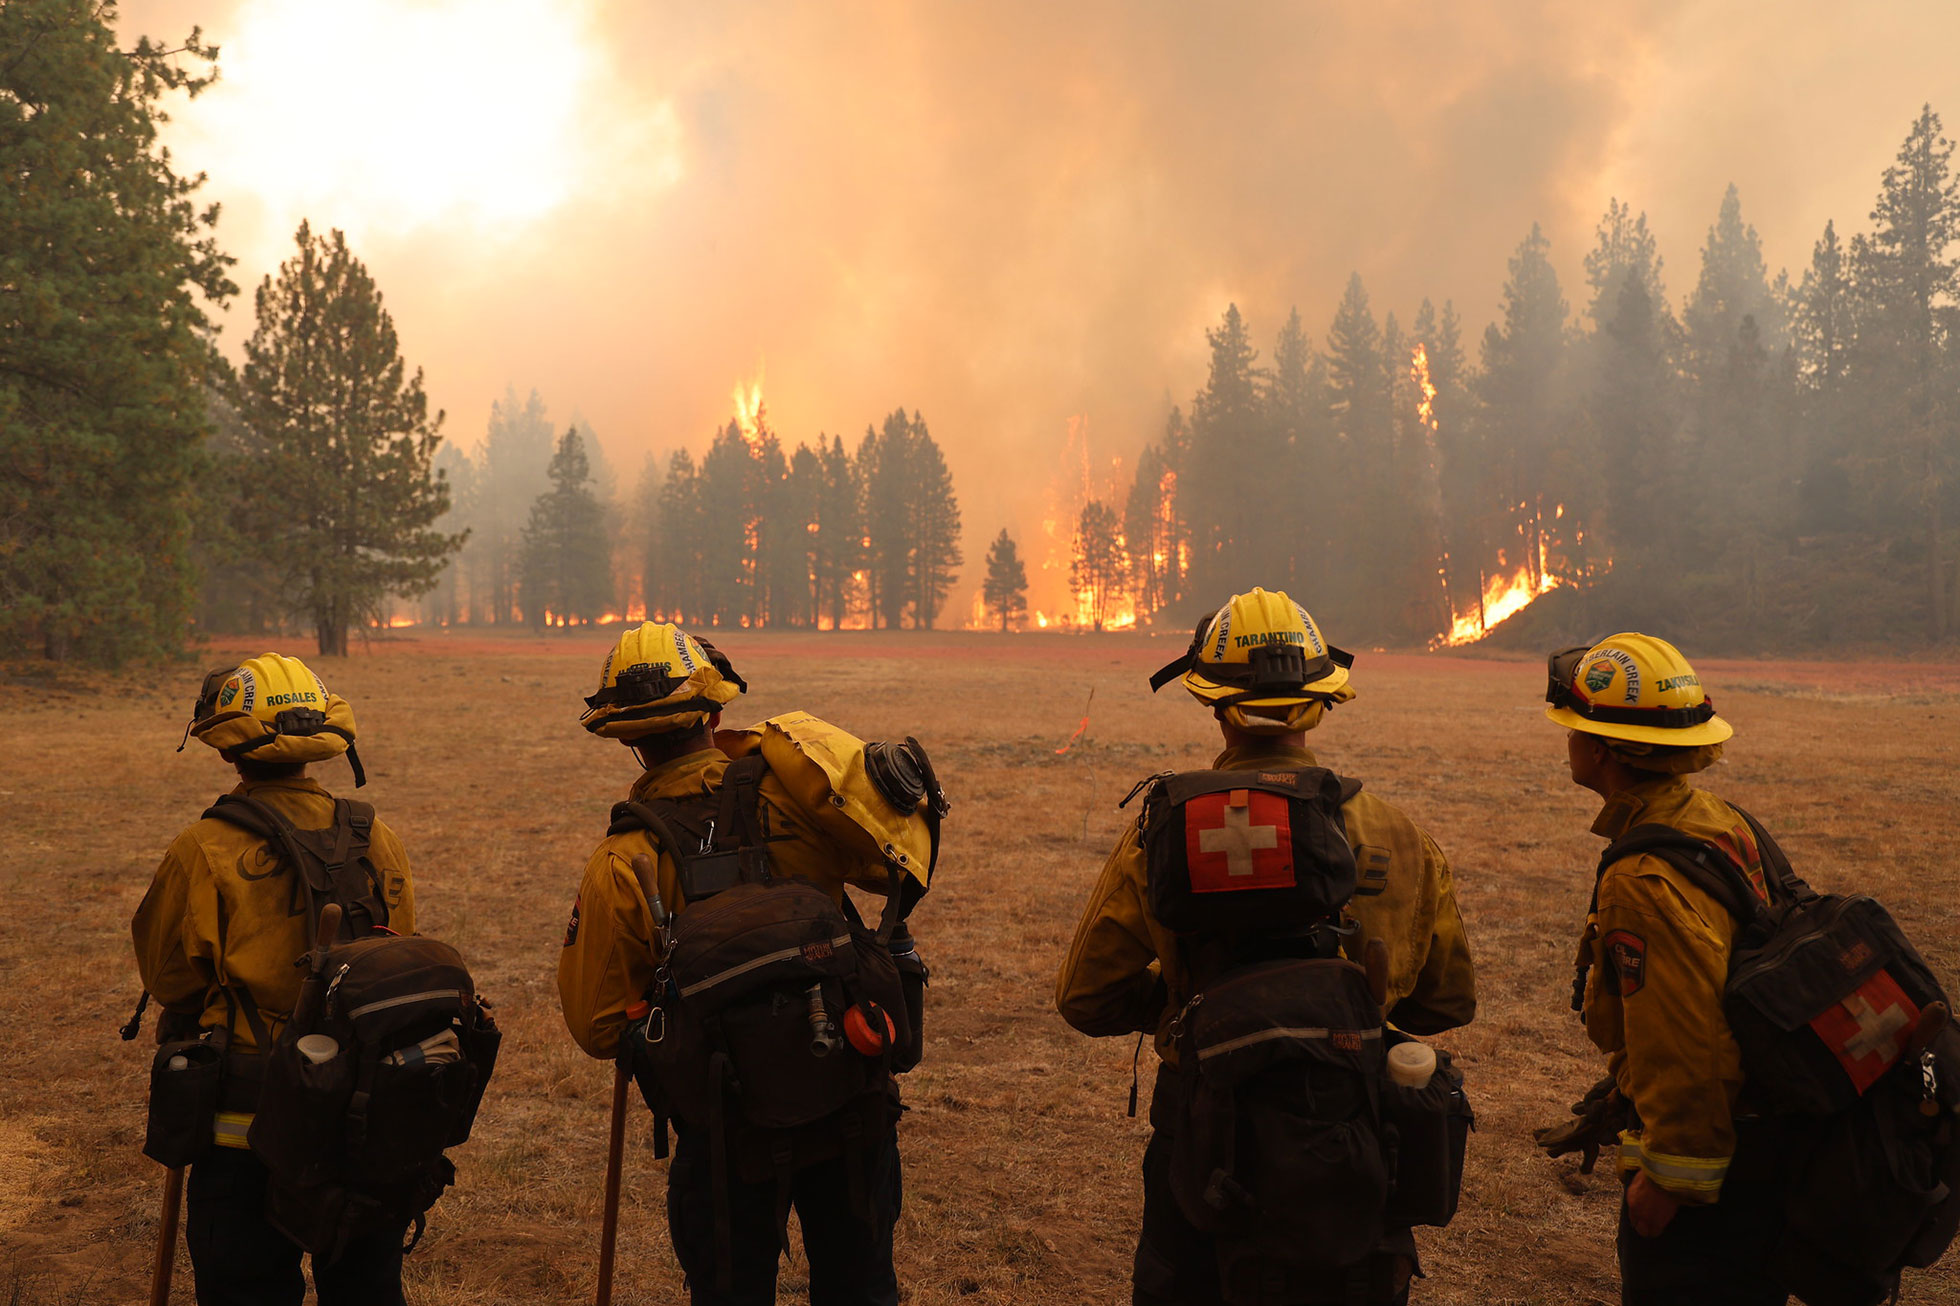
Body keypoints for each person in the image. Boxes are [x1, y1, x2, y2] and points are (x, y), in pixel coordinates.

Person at [1056, 587, 1477, 1306]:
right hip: (1354, 1134)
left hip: (1205, 1132)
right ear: (1322, 700)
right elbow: (1447, 998)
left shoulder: (1163, 832)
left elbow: (1087, 997)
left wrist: (1191, 1009)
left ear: (1214, 702)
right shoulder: (1401, 837)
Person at [558, 621, 940, 1306]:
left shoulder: (622, 861)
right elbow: (892, 870)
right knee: (862, 1288)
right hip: (850, 1102)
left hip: (724, 1130)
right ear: (715, 711)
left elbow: (595, 1027)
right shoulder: (802, 799)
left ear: (629, 737)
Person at [132, 653, 416, 1306]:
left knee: (245, 1288)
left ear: (229, 750)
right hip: (362, 1113)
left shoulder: (203, 848)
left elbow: (170, 978)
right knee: (367, 1288)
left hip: (243, 1130)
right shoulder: (381, 841)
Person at [1539, 632, 1786, 1306]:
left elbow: (1687, 1035)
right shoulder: (1714, 819)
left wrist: (1676, 1178)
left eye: (1574, 729)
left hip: (1715, 1184)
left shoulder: (1643, 876)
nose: (1567, 741)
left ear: (1601, 750)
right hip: (1760, 1139)